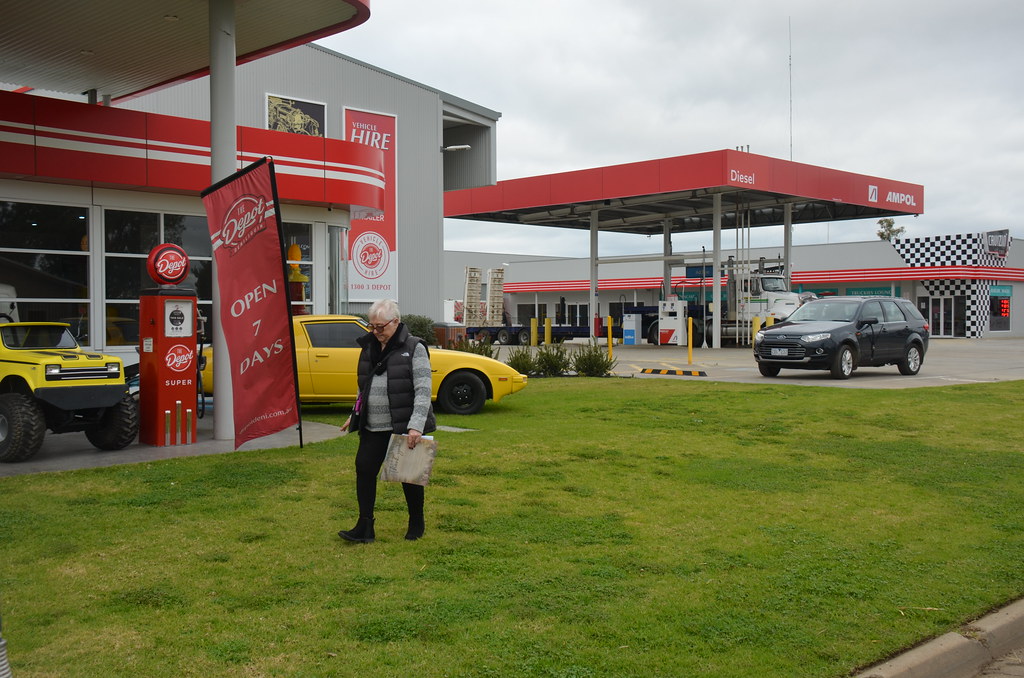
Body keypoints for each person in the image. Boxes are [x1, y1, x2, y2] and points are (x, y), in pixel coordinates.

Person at [338, 299, 436, 543]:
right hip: (373, 425)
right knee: (364, 469)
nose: (376, 332)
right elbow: (364, 386)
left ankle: (416, 521)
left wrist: (416, 425)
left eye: (381, 327)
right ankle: (365, 526)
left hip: (404, 424)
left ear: (396, 322)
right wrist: (355, 414)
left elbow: (423, 389)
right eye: (372, 327)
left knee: (409, 475)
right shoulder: (369, 347)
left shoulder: (414, 348)